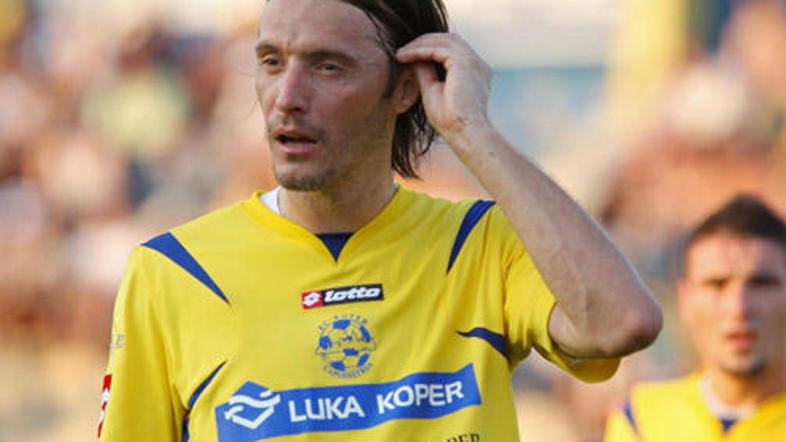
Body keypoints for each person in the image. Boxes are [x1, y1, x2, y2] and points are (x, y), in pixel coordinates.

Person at [98, 0, 662, 440]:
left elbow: (622, 323)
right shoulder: (175, 271)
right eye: (271, 62)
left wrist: (472, 131)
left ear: (404, 88)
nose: (287, 97)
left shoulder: (478, 243)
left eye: (328, 67)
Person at [604, 195, 786, 442]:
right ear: (686, 300)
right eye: (717, 284)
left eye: (761, 284)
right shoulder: (641, 419)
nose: (738, 307)